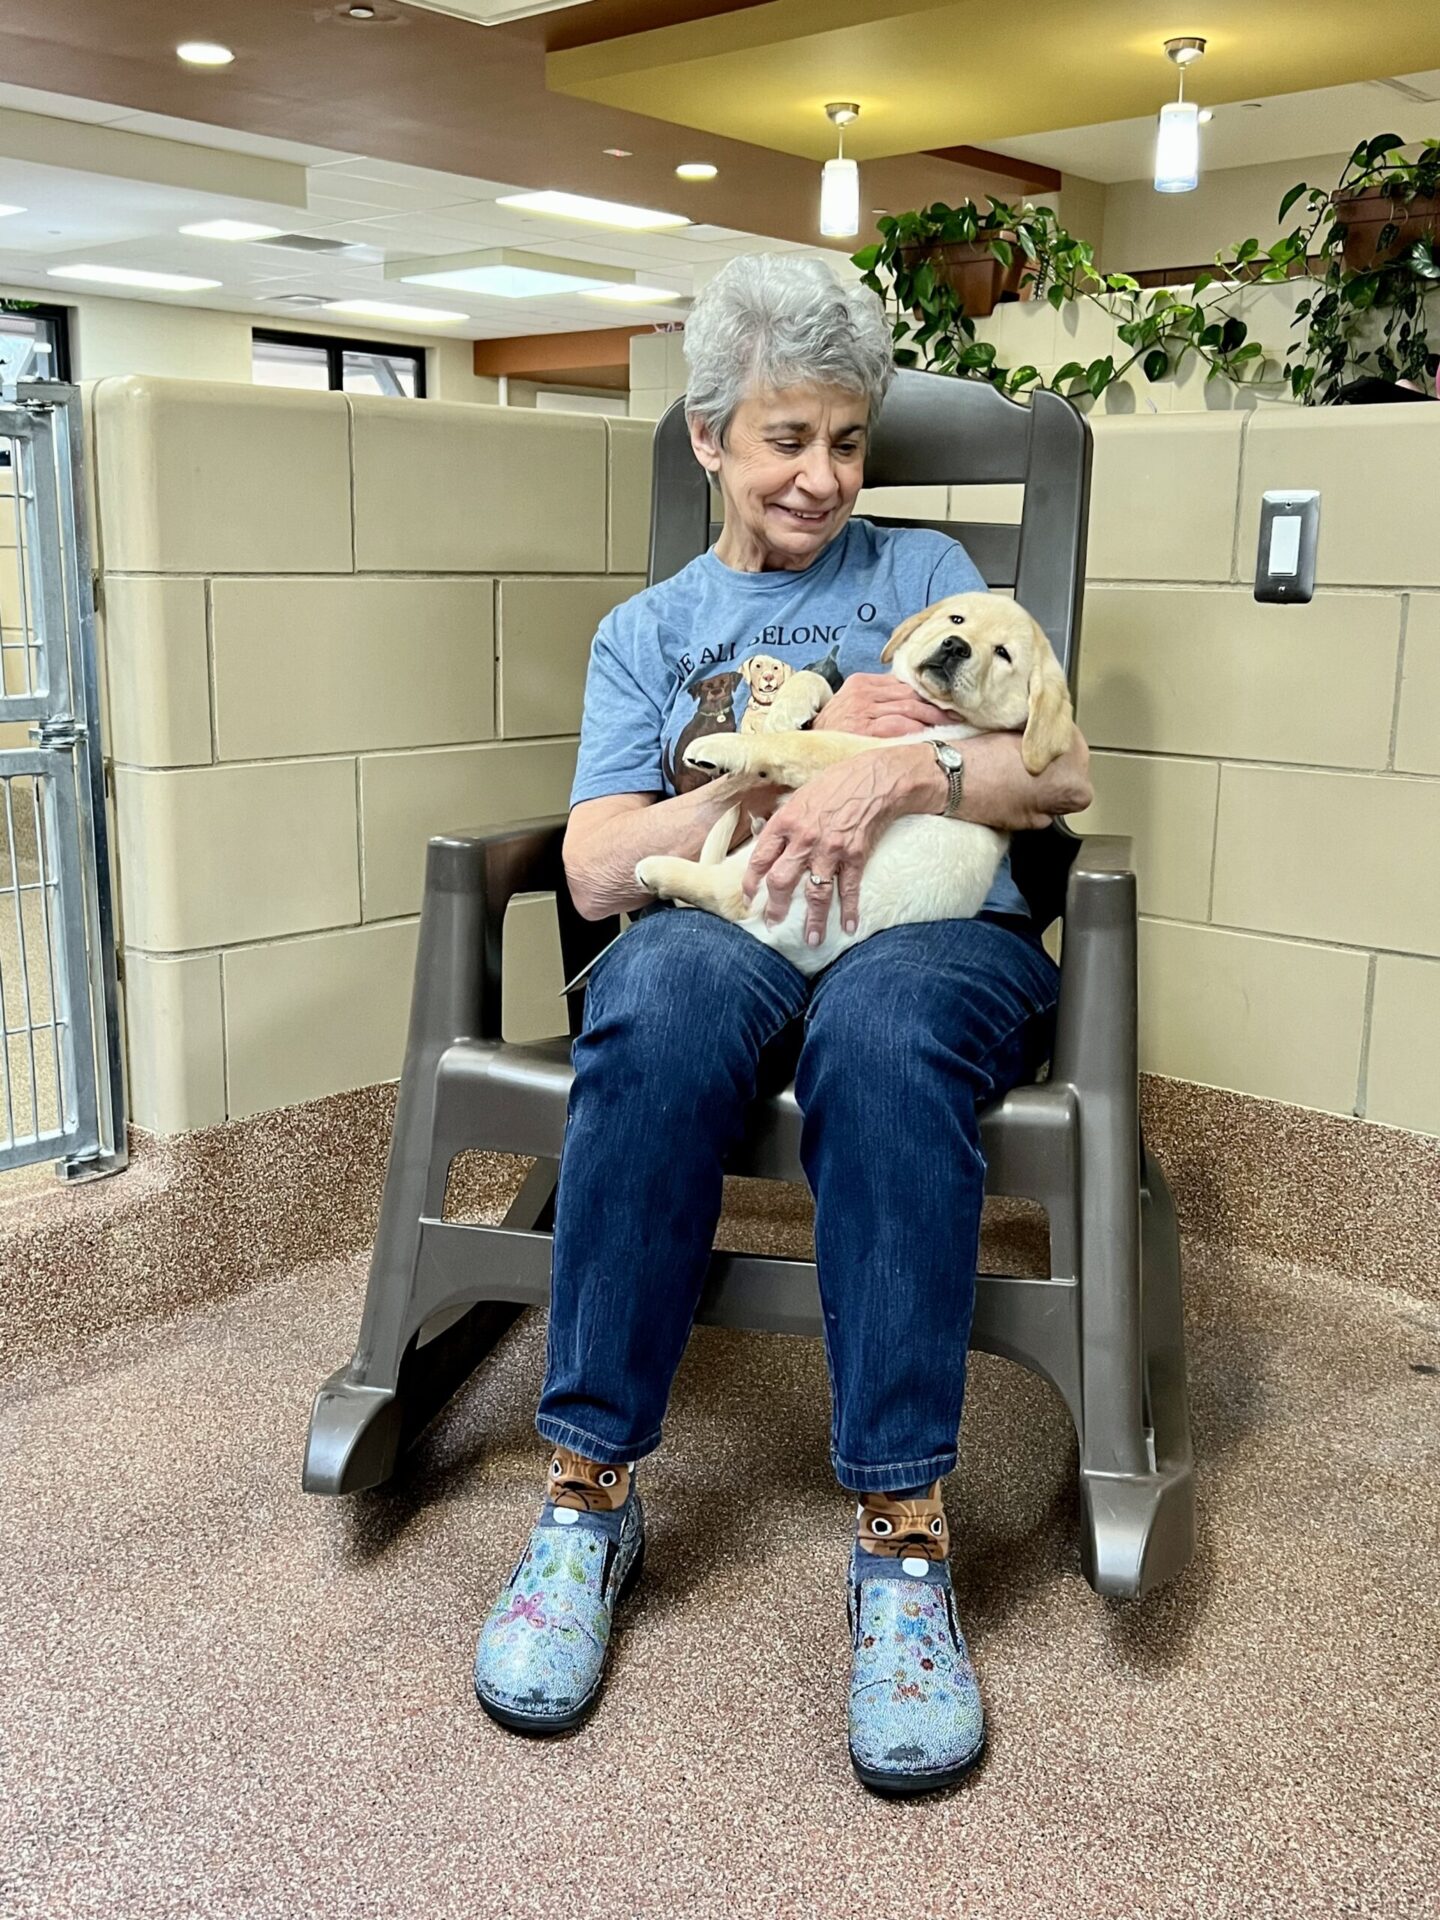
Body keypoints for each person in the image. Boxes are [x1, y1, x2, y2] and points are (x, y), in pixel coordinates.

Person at [472, 253, 1092, 1795]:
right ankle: (587, 1499)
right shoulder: (649, 633)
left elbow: (1059, 772)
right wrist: (779, 762)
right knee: (654, 1006)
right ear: (708, 439)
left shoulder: (928, 569)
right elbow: (599, 870)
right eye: (786, 440)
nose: (821, 477)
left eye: (847, 442)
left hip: (935, 932)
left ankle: (901, 1538)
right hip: (732, 918)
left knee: (880, 1043)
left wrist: (900, 774)